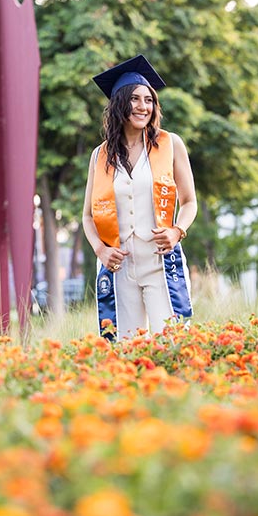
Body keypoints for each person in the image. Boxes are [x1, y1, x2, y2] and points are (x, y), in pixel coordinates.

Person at [82, 54, 197, 341]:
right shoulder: (100, 155)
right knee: (125, 347)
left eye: (148, 100)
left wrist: (177, 230)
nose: (143, 106)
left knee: (171, 341)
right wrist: (100, 249)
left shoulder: (170, 144)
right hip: (119, 266)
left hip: (160, 262)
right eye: (135, 99)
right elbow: (87, 215)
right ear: (121, 103)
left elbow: (189, 201)